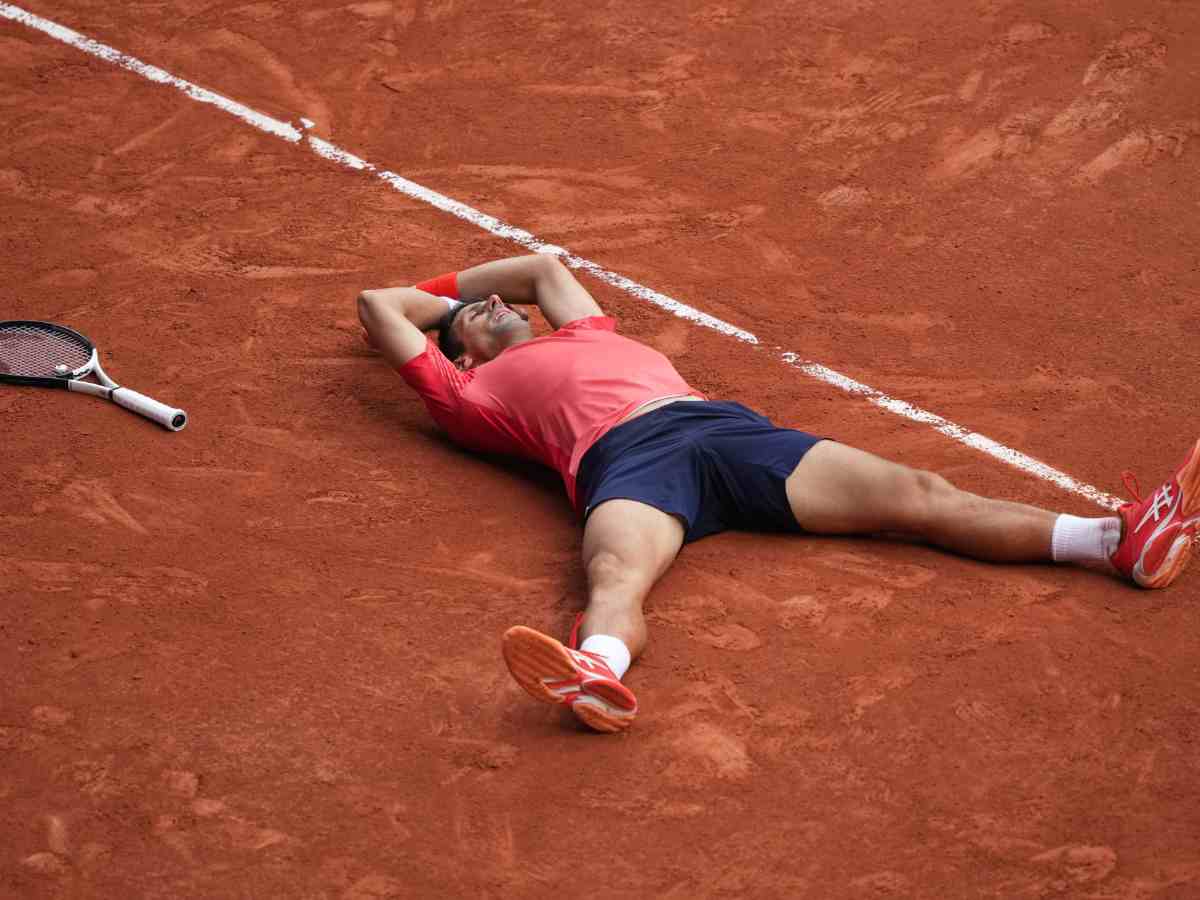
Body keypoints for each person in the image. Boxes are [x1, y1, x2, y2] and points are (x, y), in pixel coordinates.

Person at [356, 253, 1198, 734]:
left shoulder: (582, 328)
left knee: (917, 494)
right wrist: (445, 309)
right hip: (627, 465)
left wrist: (471, 297)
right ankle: (595, 675)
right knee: (615, 575)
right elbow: (375, 303)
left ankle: (1112, 541)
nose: (497, 302)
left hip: (724, 430)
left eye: (495, 301)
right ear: (456, 354)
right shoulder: (468, 396)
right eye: (475, 312)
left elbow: (541, 267)